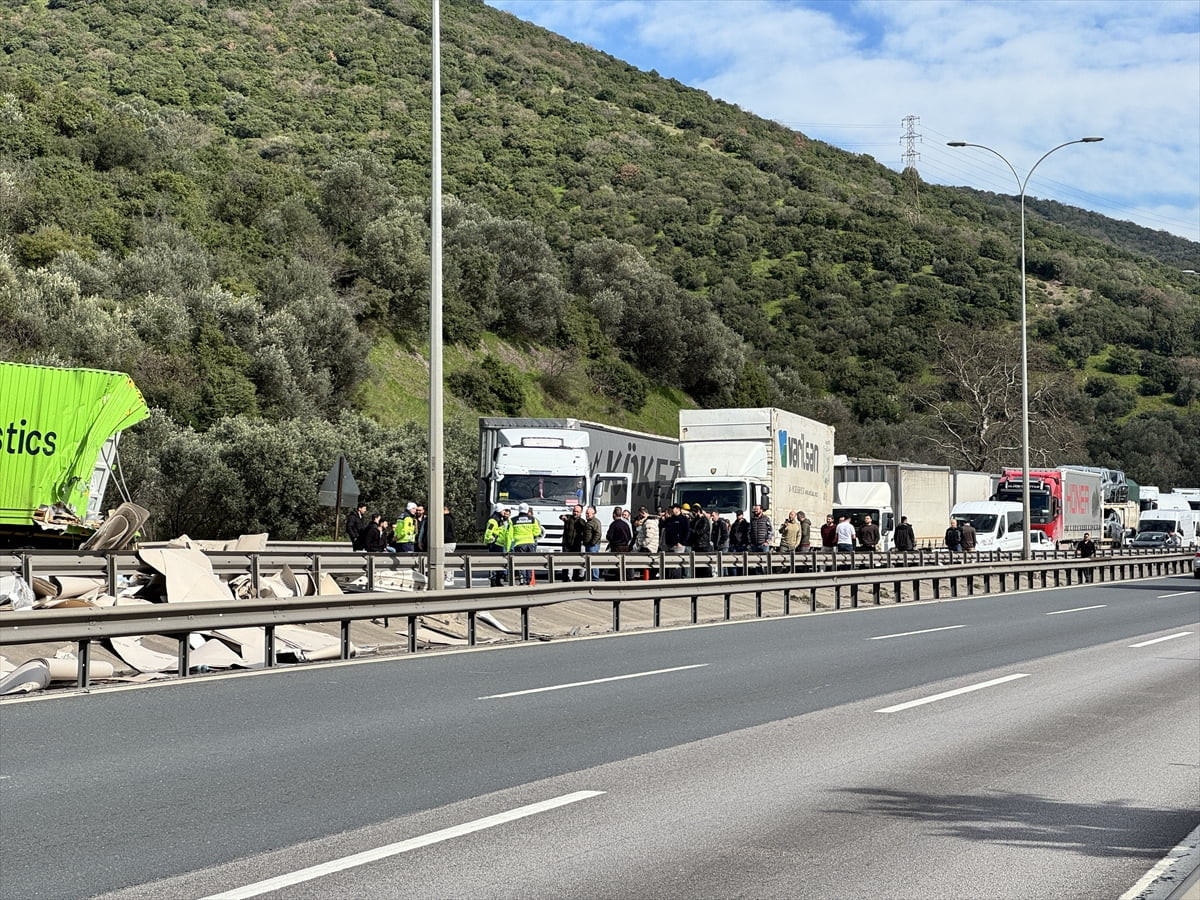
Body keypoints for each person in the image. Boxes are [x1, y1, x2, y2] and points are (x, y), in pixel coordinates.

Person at [509, 502, 542, 584]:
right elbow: (537, 532)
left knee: (521, 563)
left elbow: (509, 534)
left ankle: (522, 580)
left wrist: (509, 546)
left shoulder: (513, 520)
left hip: (519, 544)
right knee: (530, 562)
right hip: (530, 544)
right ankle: (530, 580)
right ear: (527, 510)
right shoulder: (533, 519)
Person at [582, 505, 603, 581]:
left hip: (593, 546)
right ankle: (590, 576)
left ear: (593, 514)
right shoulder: (589, 522)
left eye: (588, 513)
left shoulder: (595, 522)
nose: (586, 515)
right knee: (589, 562)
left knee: (593, 562)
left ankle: (595, 577)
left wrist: (592, 542)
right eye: (586, 513)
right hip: (588, 545)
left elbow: (598, 533)